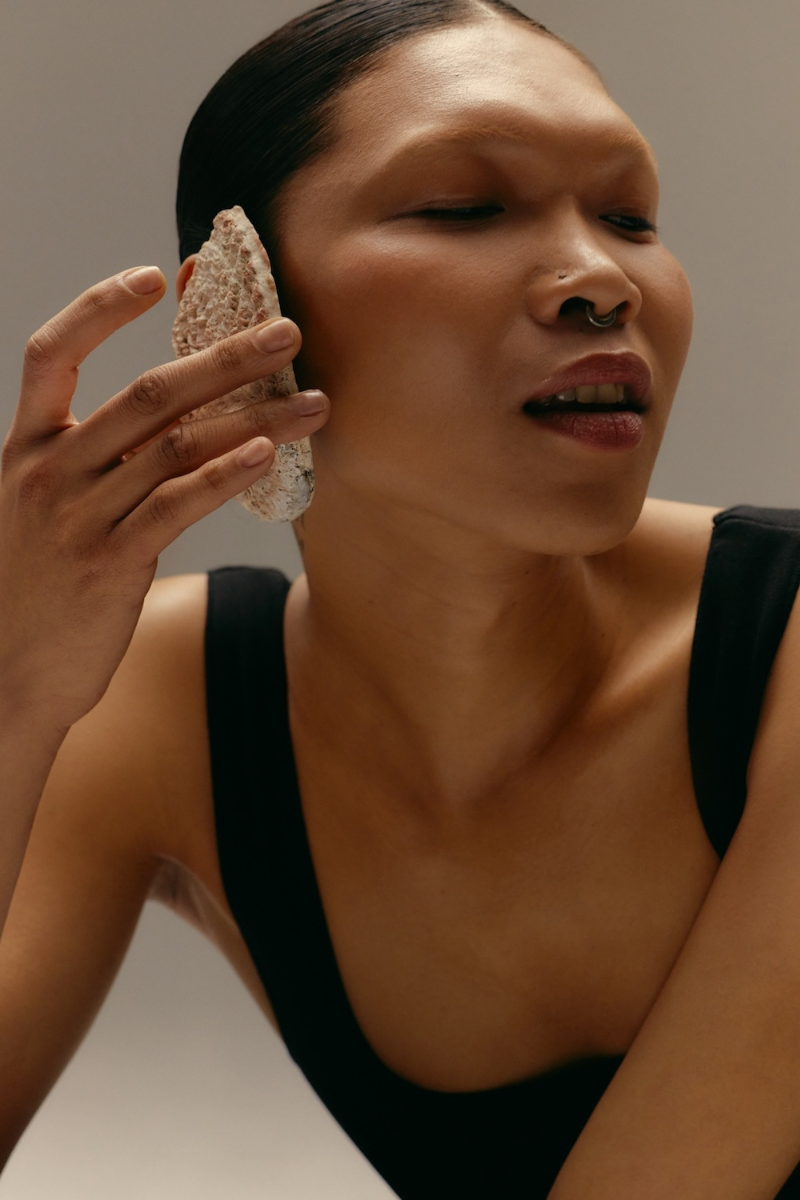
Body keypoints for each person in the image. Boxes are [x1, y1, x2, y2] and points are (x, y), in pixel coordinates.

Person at [0, 0, 798, 1195]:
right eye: (464, 207)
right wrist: (14, 693)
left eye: (629, 217)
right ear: (238, 308)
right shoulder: (152, 708)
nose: (601, 280)